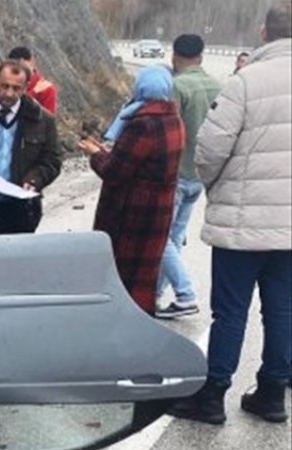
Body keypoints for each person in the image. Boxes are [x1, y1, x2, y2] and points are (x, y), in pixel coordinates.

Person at [170, 2, 292, 424]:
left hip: (242, 223)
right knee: (283, 309)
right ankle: (273, 392)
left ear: (263, 34)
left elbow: (209, 148)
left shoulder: (245, 82)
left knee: (231, 311)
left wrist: (214, 185)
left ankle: (212, 395)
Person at [79, 66, 184, 314]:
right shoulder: (173, 120)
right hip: (158, 212)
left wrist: (96, 155)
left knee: (124, 281)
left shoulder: (142, 125)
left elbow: (115, 172)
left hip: (133, 215)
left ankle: (123, 335)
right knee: (144, 278)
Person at [155, 34, 222, 319]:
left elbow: (169, 131)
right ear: (202, 56)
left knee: (161, 237)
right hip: (201, 175)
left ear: (174, 55)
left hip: (176, 173)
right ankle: (157, 294)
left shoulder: (177, 86)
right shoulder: (218, 86)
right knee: (176, 235)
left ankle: (185, 293)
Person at [0, 60, 62, 235]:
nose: (8, 93)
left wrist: (34, 180)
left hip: (21, 212)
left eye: (16, 88)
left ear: (25, 88)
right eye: (4, 86)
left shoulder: (43, 120)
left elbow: (52, 159)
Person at [7, 45, 58, 115]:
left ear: (32, 61)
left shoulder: (47, 89)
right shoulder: (8, 83)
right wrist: (34, 92)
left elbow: (49, 119)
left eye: (22, 64)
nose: (20, 69)